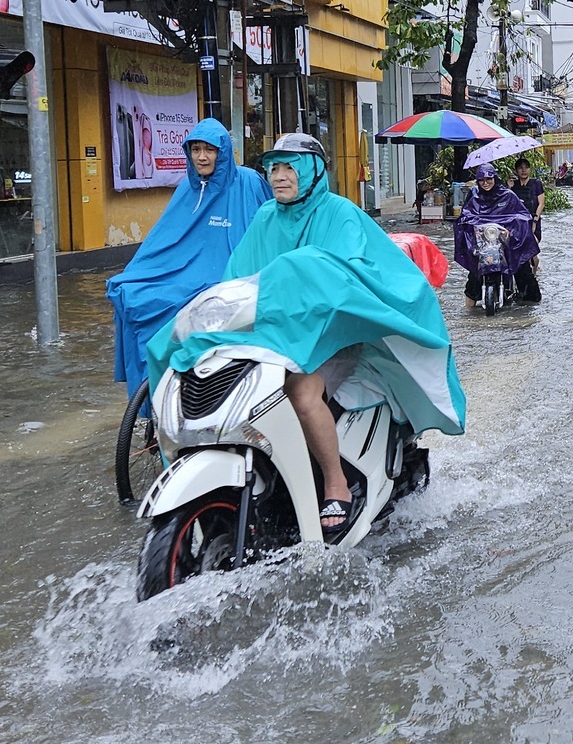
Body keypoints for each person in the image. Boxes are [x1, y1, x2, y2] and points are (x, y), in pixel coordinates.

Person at [148, 133, 466, 537]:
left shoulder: (340, 213)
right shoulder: (265, 217)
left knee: (300, 392)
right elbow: (239, 277)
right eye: (274, 168)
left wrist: (302, 274)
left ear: (313, 171)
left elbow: (347, 279)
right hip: (271, 335)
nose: (279, 177)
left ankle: (335, 484)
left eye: (289, 168)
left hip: (332, 334)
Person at [106, 118, 270, 399]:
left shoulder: (249, 183)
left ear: (223, 152)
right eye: (196, 150)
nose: (202, 157)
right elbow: (163, 240)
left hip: (229, 275)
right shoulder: (187, 188)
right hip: (184, 275)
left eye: (209, 149)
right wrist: (134, 273)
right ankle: (154, 400)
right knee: (132, 295)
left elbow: (265, 231)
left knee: (204, 304)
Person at [456, 163, 541, 303]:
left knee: (522, 266)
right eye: (481, 180)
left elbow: (522, 215)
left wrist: (511, 228)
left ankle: (531, 302)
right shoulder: (474, 194)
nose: (485, 183)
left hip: (505, 242)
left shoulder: (507, 195)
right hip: (483, 242)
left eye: (489, 179)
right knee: (474, 274)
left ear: (495, 178)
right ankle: (468, 311)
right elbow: (466, 214)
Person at [509, 156, 546, 246]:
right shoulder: (514, 185)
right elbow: (509, 204)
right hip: (518, 223)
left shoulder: (536, 183)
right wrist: (509, 188)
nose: (524, 170)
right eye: (521, 168)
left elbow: (541, 203)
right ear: (516, 171)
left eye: (526, 168)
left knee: (533, 248)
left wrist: (535, 221)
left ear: (530, 169)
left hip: (533, 220)